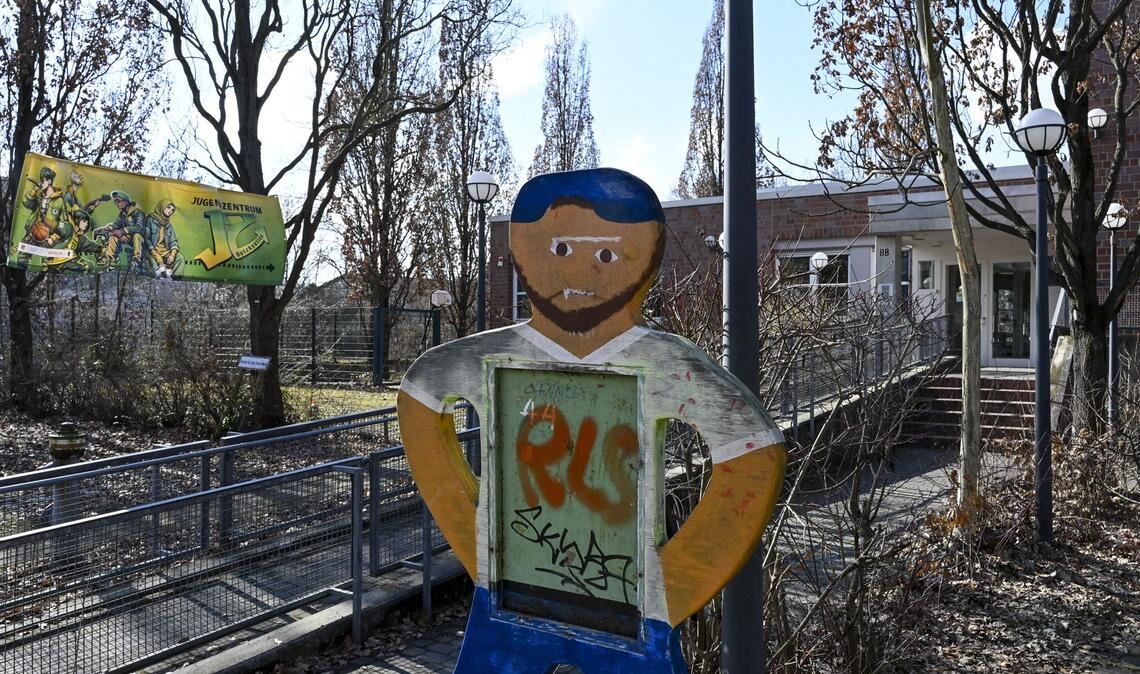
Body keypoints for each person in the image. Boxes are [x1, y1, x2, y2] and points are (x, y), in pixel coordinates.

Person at [397, 168, 786, 673]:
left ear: (642, 255)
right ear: (524, 249)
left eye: (604, 254)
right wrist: (479, 555)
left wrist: (673, 585)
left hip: (631, 622)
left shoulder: (662, 363)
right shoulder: (490, 357)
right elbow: (419, 397)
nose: (578, 273)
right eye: (560, 251)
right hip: (511, 609)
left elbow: (754, 451)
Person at [96, 190, 147, 271]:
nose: (117, 204)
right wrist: (108, 228)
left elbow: (139, 228)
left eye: (118, 201)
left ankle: (136, 259)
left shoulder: (139, 213)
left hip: (139, 240)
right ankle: (111, 260)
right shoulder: (122, 214)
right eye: (115, 202)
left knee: (137, 235)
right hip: (127, 237)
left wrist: (122, 231)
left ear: (126, 201)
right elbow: (117, 224)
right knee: (113, 236)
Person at [144, 199, 180, 278]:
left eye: (172, 210)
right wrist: (157, 256)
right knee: (156, 270)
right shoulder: (150, 220)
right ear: (162, 207)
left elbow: (174, 241)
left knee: (180, 258)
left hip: (164, 251)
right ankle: (160, 273)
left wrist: (172, 255)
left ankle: (174, 278)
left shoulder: (168, 225)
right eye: (168, 207)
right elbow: (146, 239)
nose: (170, 211)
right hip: (151, 250)